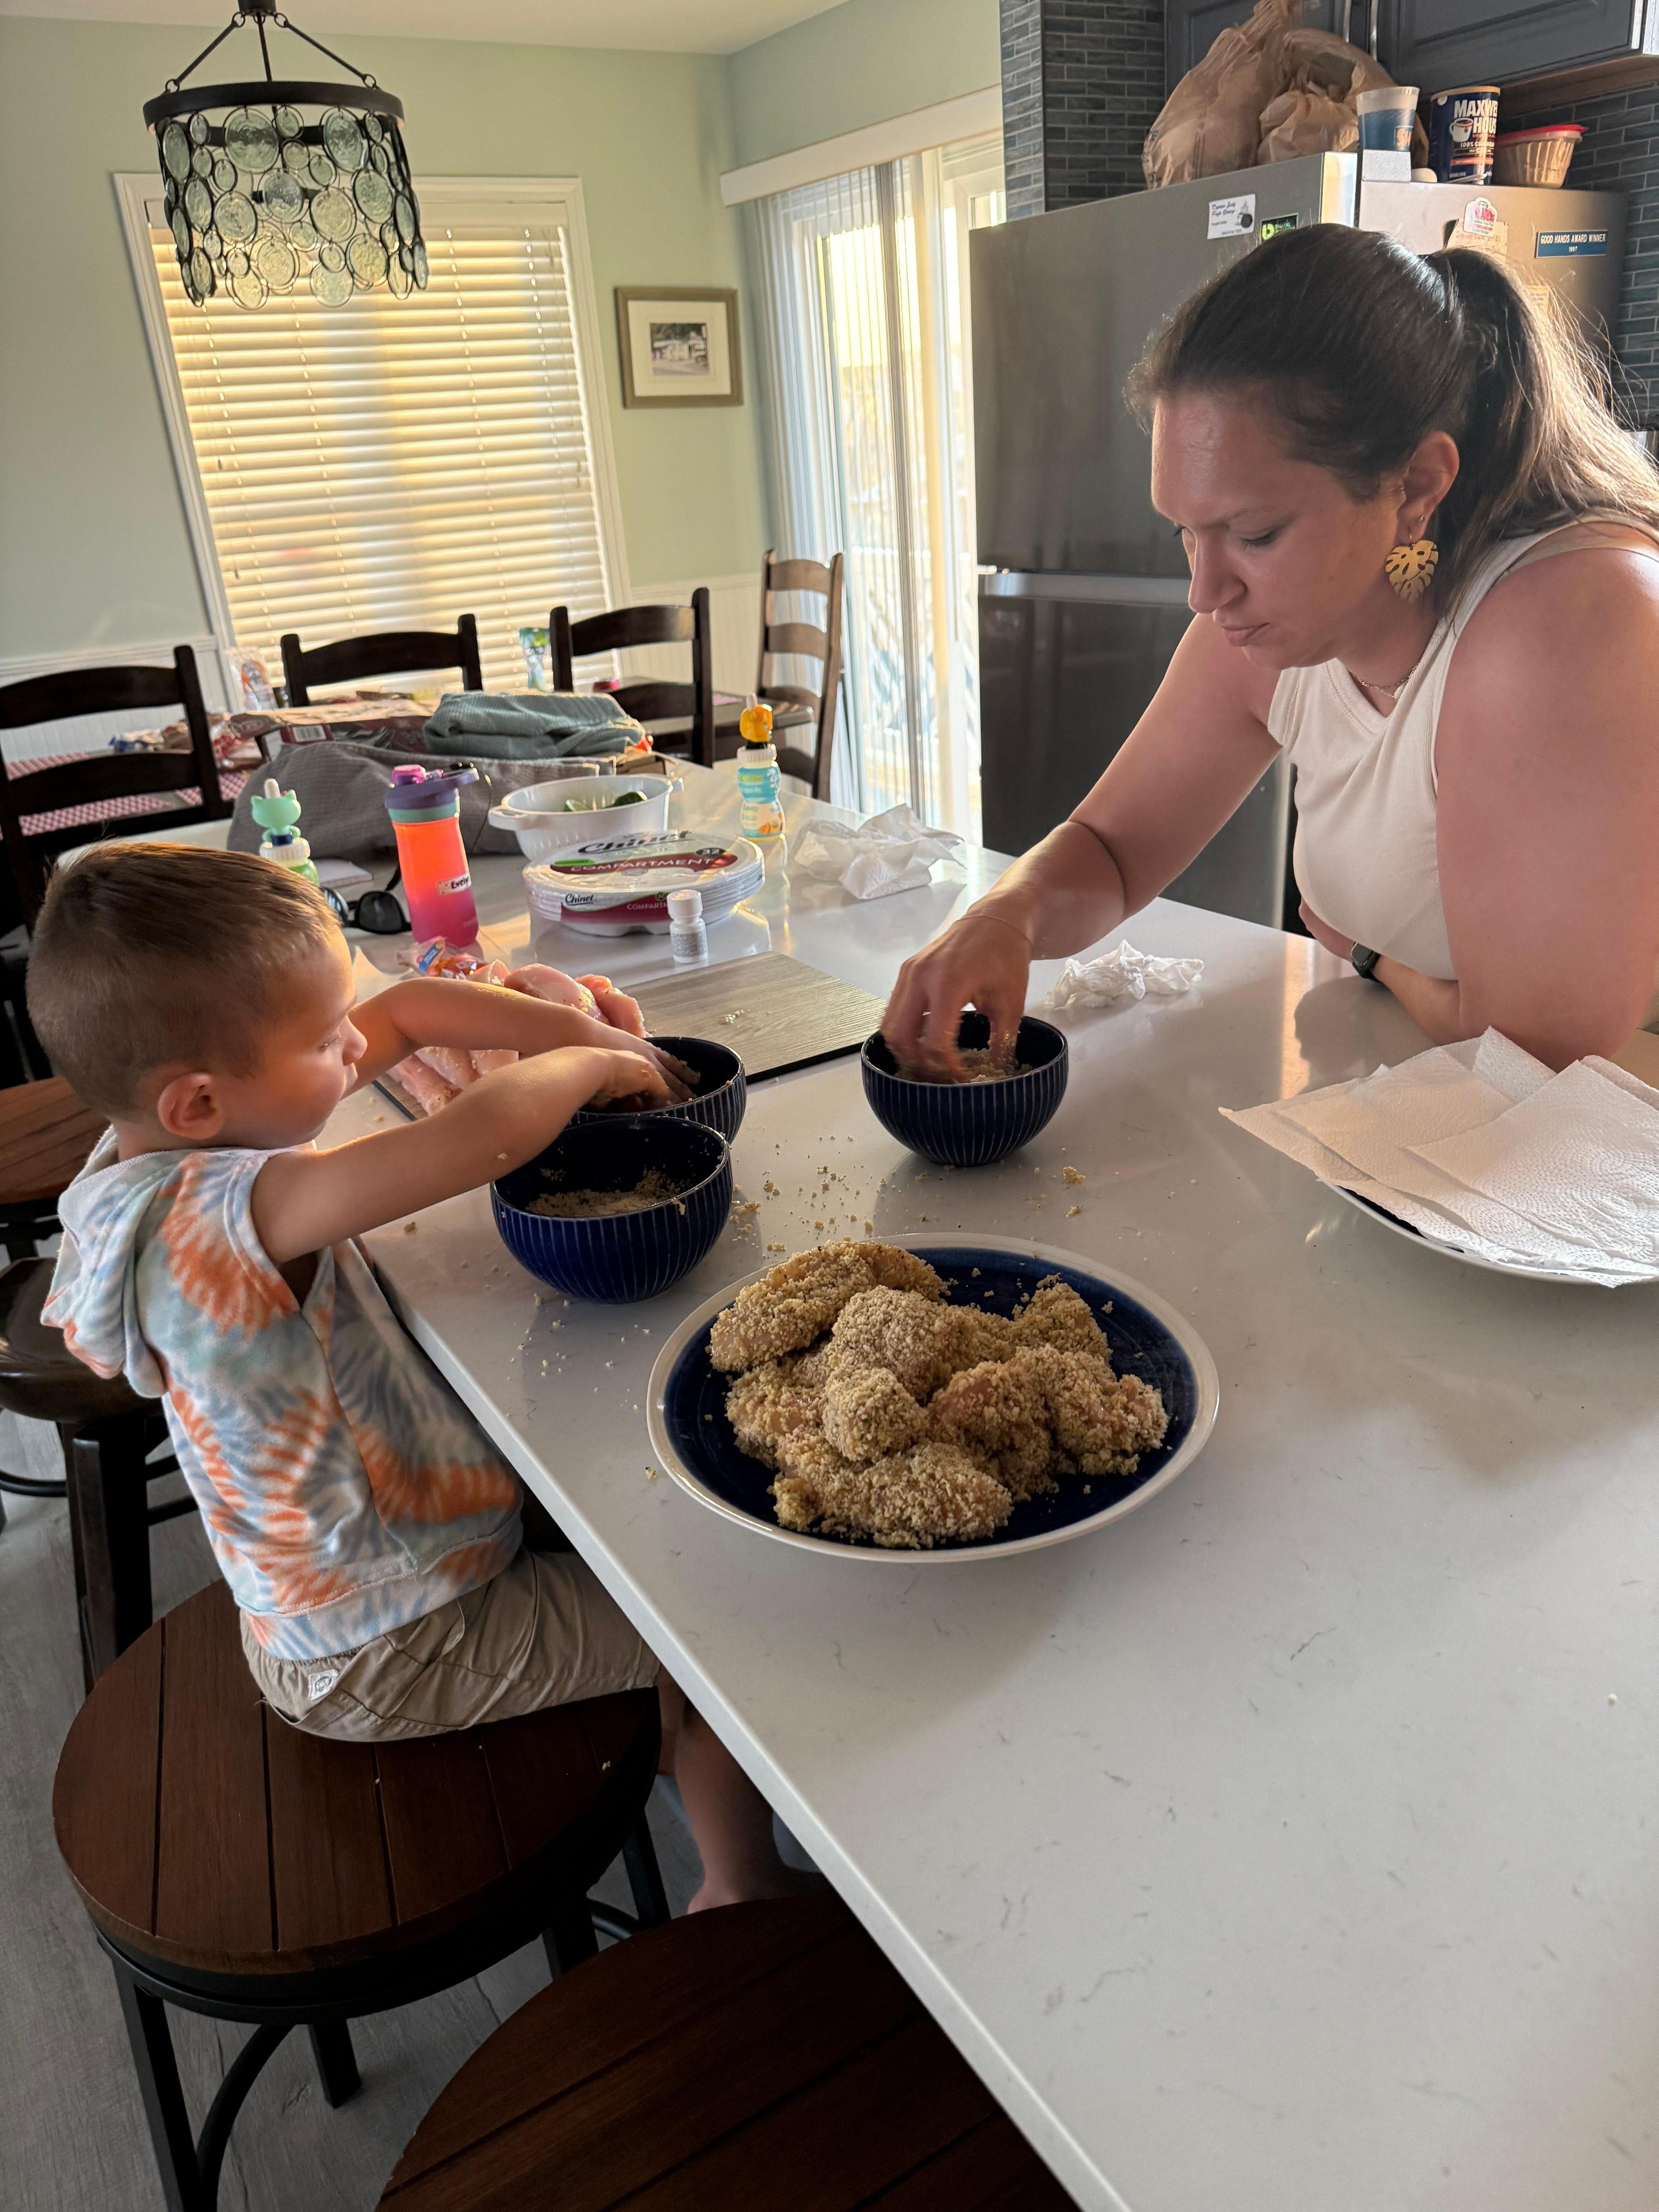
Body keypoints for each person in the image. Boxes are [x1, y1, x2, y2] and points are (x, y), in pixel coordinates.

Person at [32, 843, 804, 1911]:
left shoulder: (136, 1163)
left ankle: (657, 1755)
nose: (356, 1049)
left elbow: (402, 1013)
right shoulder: (217, 1218)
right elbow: (477, 1137)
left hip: (366, 1584)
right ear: (198, 1104)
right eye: (320, 1042)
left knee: (622, 1508)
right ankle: (738, 1887)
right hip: (392, 1641)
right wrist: (586, 1068)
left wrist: (572, 1026)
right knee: (706, 1633)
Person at [884, 223, 1659, 1078]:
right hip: (1424, 1119)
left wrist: (1375, 960)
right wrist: (1007, 915)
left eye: (1254, 533)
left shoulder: (1567, 625)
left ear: (1415, 490)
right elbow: (1113, 848)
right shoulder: (1270, 628)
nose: (1205, 592)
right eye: (1186, 532)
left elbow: (1533, 1046)